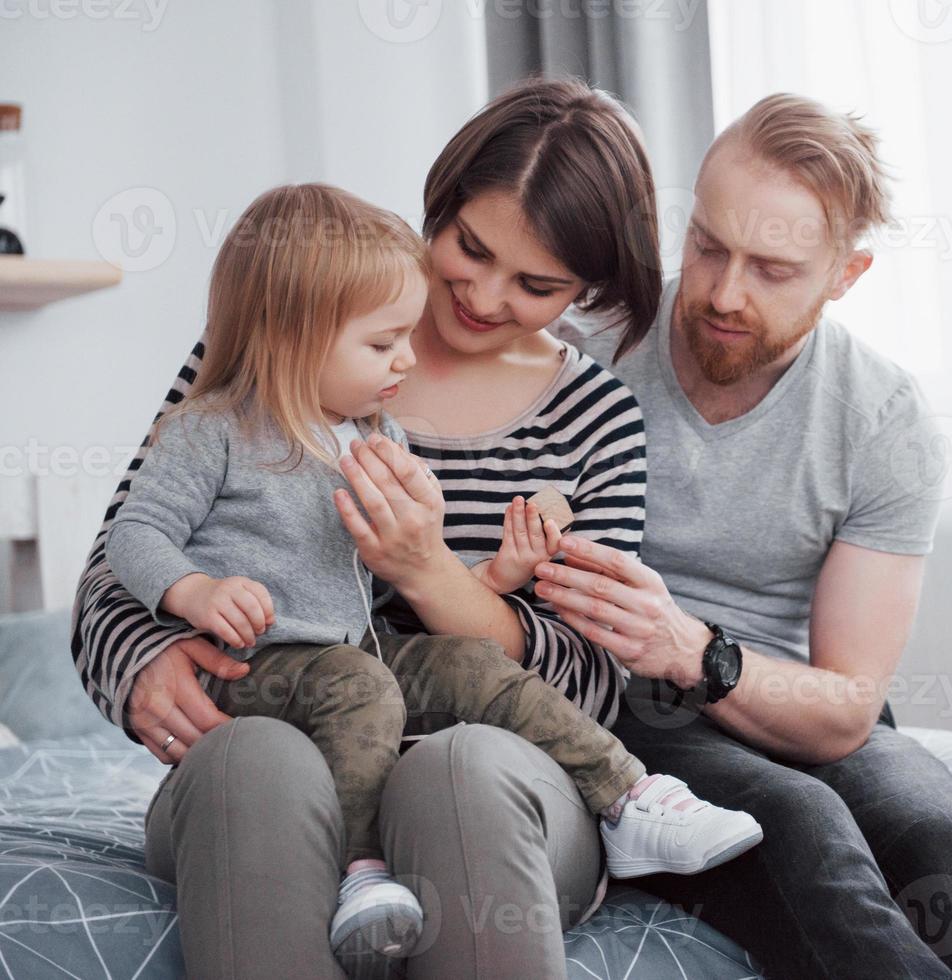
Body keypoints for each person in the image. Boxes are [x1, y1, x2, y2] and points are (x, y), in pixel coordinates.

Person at [72, 78, 696, 980]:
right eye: (469, 247)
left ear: (587, 288)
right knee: (259, 760)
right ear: (437, 204)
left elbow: (594, 682)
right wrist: (141, 664)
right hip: (279, 754)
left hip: (500, 787)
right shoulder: (275, 352)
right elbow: (118, 563)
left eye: (535, 284)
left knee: (460, 773)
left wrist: (427, 572)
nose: (481, 295)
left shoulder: (595, 422)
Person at [535, 94, 952, 978]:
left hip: (783, 698)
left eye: (772, 269)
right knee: (807, 835)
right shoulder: (578, 354)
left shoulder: (880, 418)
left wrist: (693, 648)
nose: (723, 293)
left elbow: (846, 705)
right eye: (706, 247)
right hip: (626, 707)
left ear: (846, 275)